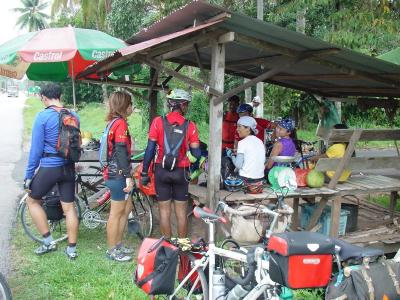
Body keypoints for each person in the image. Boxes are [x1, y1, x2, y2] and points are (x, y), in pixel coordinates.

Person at [23, 83, 79, 260]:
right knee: (69, 208)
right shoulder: (74, 115)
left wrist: (29, 175)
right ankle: (71, 249)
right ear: (60, 96)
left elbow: (36, 151)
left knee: (32, 201)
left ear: (44, 98)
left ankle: (48, 241)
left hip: (50, 166)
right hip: (68, 166)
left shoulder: (42, 117)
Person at [141, 89, 200, 239]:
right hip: (181, 172)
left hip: (162, 170)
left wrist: (144, 173)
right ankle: (182, 248)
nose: (187, 108)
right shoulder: (190, 125)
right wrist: (193, 166)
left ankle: (168, 246)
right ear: (183, 105)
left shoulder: (157, 122)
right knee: (181, 213)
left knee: (164, 211)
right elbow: (197, 154)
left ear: (170, 104)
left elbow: (149, 150)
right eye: (187, 105)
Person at [102, 91, 135, 262]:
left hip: (114, 173)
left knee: (126, 209)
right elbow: (121, 151)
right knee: (116, 213)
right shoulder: (120, 124)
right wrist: (128, 176)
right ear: (124, 106)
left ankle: (119, 244)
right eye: (130, 104)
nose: (132, 107)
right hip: (118, 175)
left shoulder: (112, 122)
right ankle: (112, 249)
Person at [227, 116, 265, 192]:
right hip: (260, 180)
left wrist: (231, 155)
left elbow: (238, 165)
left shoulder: (242, 142)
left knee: (226, 168)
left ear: (248, 128)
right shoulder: (260, 142)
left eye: (239, 127)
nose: (237, 129)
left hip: (246, 180)